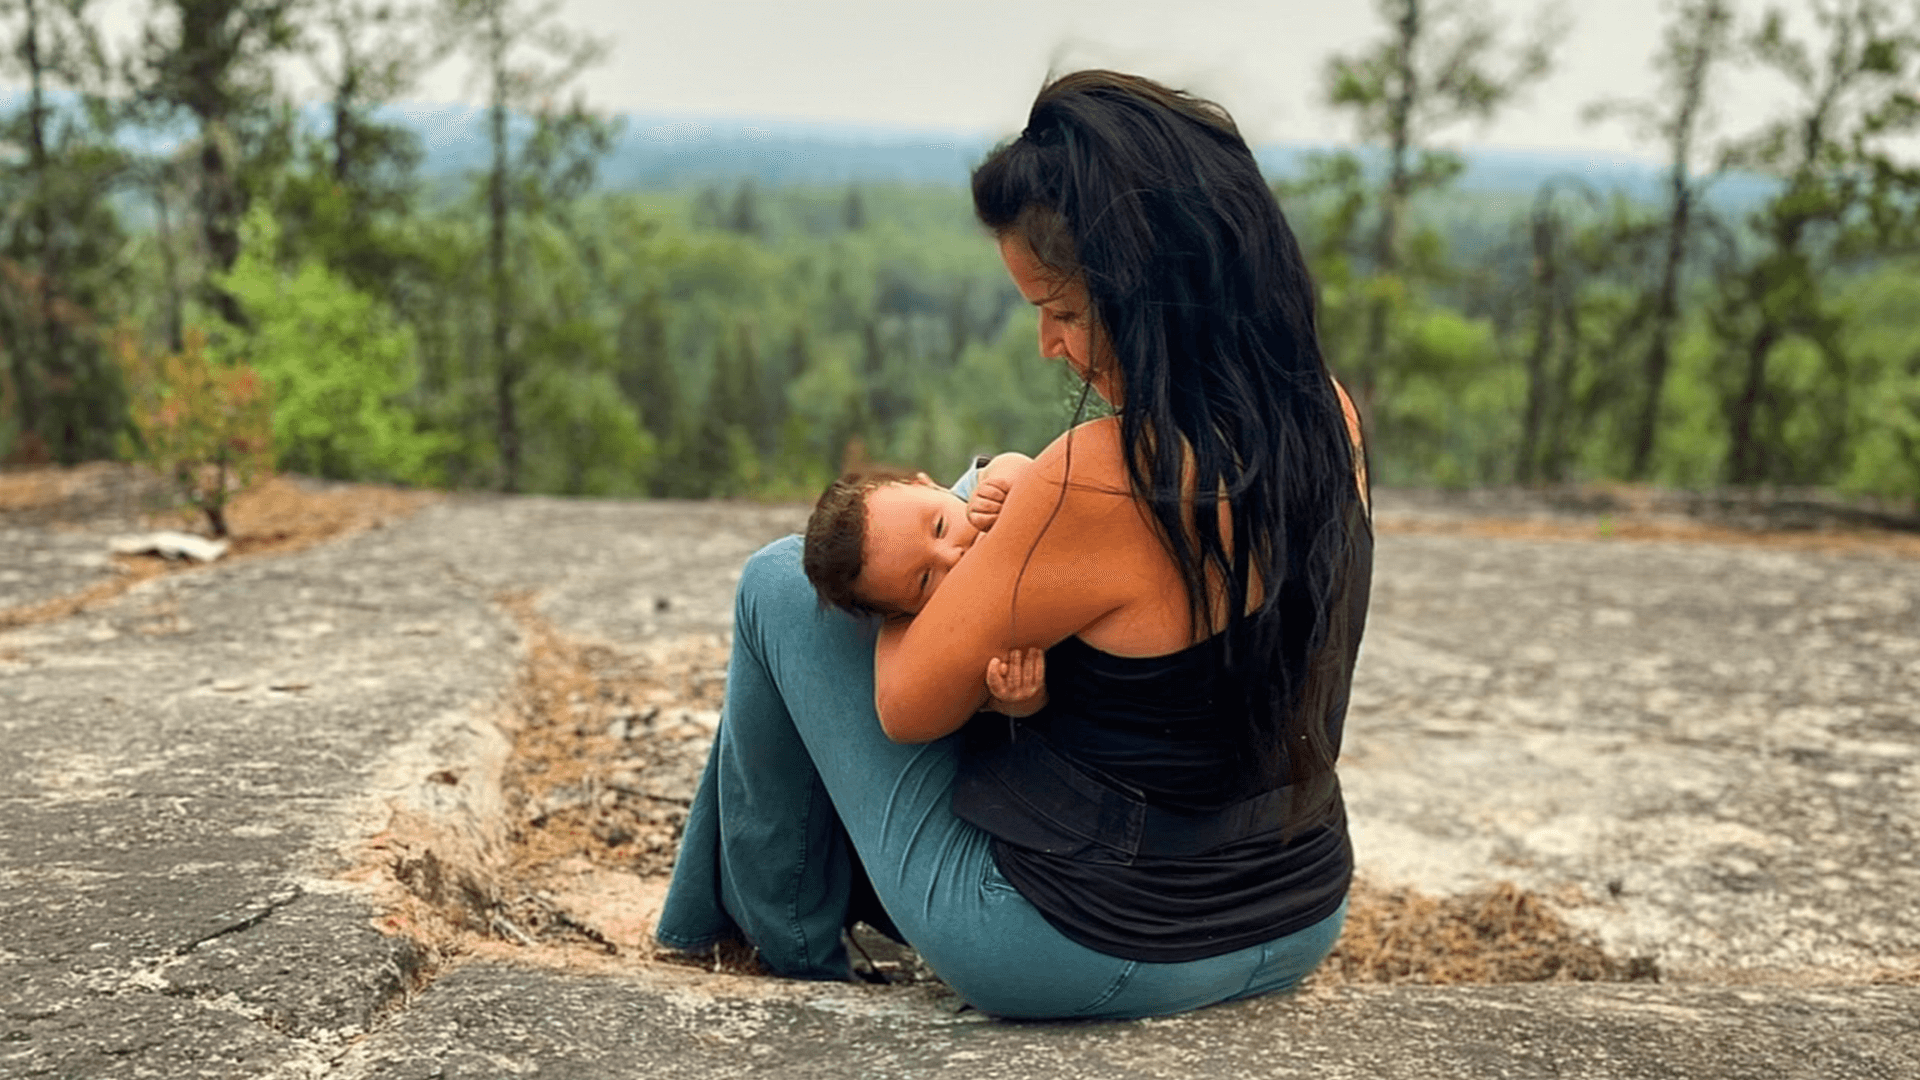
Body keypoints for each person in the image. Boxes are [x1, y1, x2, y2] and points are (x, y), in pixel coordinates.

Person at [657, 69, 1372, 1021]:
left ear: (1163, 290)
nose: (1048, 345)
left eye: (1067, 311)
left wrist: (964, 519)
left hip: (1086, 945)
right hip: (1295, 915)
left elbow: (907, 709)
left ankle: (774, 942)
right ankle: (713, 915)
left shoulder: (1101, 474)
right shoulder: (1331, 416)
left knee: (783, 581)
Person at [801, 455, 1046, 716]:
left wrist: (999, 484)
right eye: (926, 579)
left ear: (928, 485)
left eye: (940, 527)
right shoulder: (954, 634)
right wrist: (1018, 698)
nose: (952, 556)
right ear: (907, 616)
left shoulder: (975, 499)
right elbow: (998, 704)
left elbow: (1014, 466)